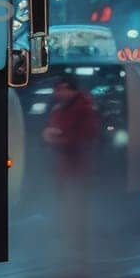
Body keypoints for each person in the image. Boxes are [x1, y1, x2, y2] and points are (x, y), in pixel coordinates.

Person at [43, 74, 101, 248]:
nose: (58, 93)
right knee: (66, 200)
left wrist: (58, 140)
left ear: (71, 90)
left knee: (75, 201)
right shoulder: (60, 109)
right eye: (57, 89)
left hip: (77, 165)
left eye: (62, 89)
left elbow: (85, 137)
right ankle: (68, 233)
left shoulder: (84, 109)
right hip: (63, 165)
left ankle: (76, 236)